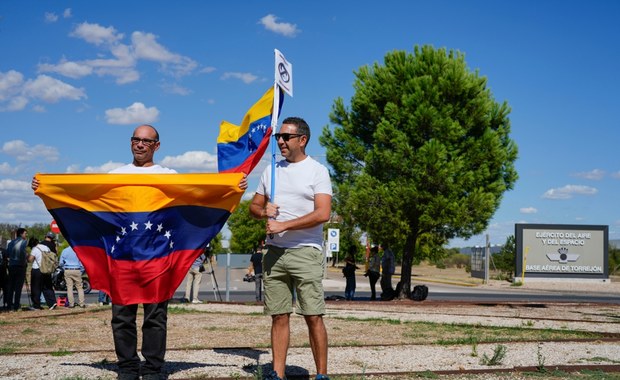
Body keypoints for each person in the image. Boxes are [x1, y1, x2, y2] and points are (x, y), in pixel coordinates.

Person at [33, 124, 247, 380]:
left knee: (155, 317)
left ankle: (154, 368)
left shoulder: (168, 176)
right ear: (131, 142)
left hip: (158, 261)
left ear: (157, 146)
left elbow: (200, 194)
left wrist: (232, 186)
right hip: (122, 259)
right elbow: (85, 200)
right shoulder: (115, 176)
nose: (140, 144)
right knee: (122, 317)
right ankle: (128, 367)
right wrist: (47, 187)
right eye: (136, 139)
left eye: (147, 140)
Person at [249, 117, 332, 380]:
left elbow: (323, 213)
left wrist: (285, 224)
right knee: (279, 316)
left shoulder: (318, 171)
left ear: (303, 140)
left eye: (286, 137)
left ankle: (321, 375)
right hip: (274, 254)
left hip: (306, 251)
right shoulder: (271, 171)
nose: (281, 141)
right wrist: (264, 211)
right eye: (278, 137)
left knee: (313, 316)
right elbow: (253, 208)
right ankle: (277, 374)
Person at [29, 237, 57, 310]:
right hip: (46, 270)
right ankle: (52, 303)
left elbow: (30, 260)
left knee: (36, 288)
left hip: (37, 270)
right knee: (47, 286)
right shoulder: (46, 247)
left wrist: (27, 257)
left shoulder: (34, 249)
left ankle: (36, 305)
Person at [6, 228, 29, 311]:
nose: (26, 235)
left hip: (12, 266)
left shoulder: (11, 243)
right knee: (18, 287)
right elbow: (23, 254)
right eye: (25, 233)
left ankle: (9, 305)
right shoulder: (24, 242)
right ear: (21, 234)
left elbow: (7, 254)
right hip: (20, 266)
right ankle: (16, 305)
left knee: (11, 286)